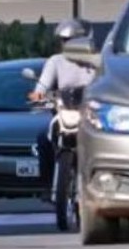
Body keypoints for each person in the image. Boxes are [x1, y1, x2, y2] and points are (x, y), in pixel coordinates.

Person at [29, 18, 96, 198]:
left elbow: (106, 84)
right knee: (44, 138)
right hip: (65, 112)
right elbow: (42, 86)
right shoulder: (56, 61)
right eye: (64, 41)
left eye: (71, 41)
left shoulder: (95, 61)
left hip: (90, 114)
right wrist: (38, 96)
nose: (66, 44)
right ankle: (47, 185)